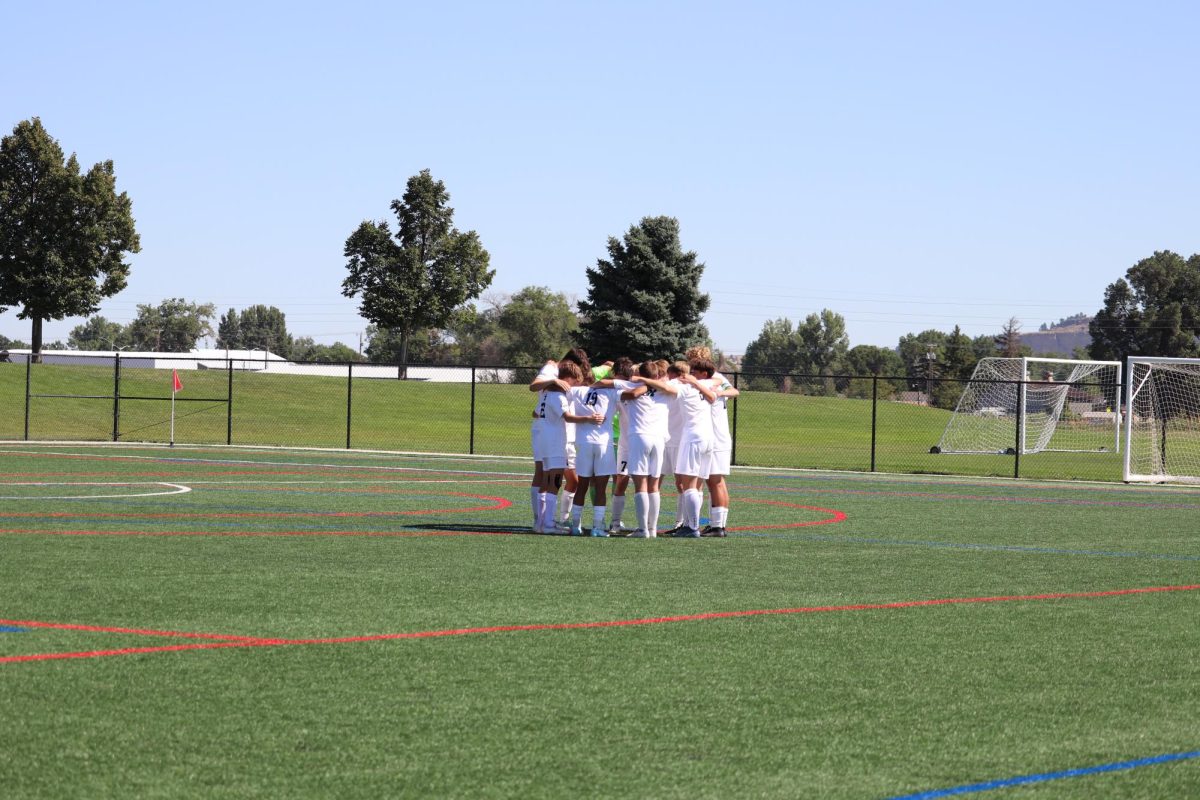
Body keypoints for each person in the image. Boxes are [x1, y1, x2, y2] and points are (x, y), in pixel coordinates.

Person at [640, 359, 717, 538]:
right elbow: (717, 385)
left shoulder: (684, 384)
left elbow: (666, 388)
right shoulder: (705, 383)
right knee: (696, 487)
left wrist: (641, 379)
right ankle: (690, 524)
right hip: (708, 438)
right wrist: (696, 381)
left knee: (687, 485)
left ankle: (692, 528)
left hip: (693, 438)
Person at [536, 360, 603, 534]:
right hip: (555, 442)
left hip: (544, 440)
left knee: (547, 480)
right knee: (555, 481)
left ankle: (541, 522)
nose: (573, 387)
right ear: (566, 378)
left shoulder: (545, 393)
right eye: (573, 382)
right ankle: (549, 524)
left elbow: (536, 412)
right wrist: (589, 419)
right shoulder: (558, 396)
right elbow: (568, 417)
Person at [615, 359, 676, 537]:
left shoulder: (632, 387)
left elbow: (609, 384)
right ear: (658, 375)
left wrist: (640, 383)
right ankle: (652, 529)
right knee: (654, 484)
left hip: (639, 437)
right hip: (659, 438)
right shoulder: (665, 390)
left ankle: (643, 529)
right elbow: (673, 388)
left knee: (640, 484)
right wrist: (650, 383)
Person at [566, 372, 621, 536]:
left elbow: (558, 389)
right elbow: (630, 395)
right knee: (601, 488)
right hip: (603, 444)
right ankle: (597, 527)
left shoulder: (577, 391)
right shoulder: (611, 392)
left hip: (584, 443)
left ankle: (576, 526)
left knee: (582, 486)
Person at [691, 359, 739, 537]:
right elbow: (734, 391)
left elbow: (734, 391)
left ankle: (718, 526)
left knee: (715, 481)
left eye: (694, 369)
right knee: (716, 482)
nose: (691, 371)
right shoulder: (716, 380)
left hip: (716, 438)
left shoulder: (711, 381)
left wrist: (717, 392)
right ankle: (717, 524)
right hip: (718, 437)